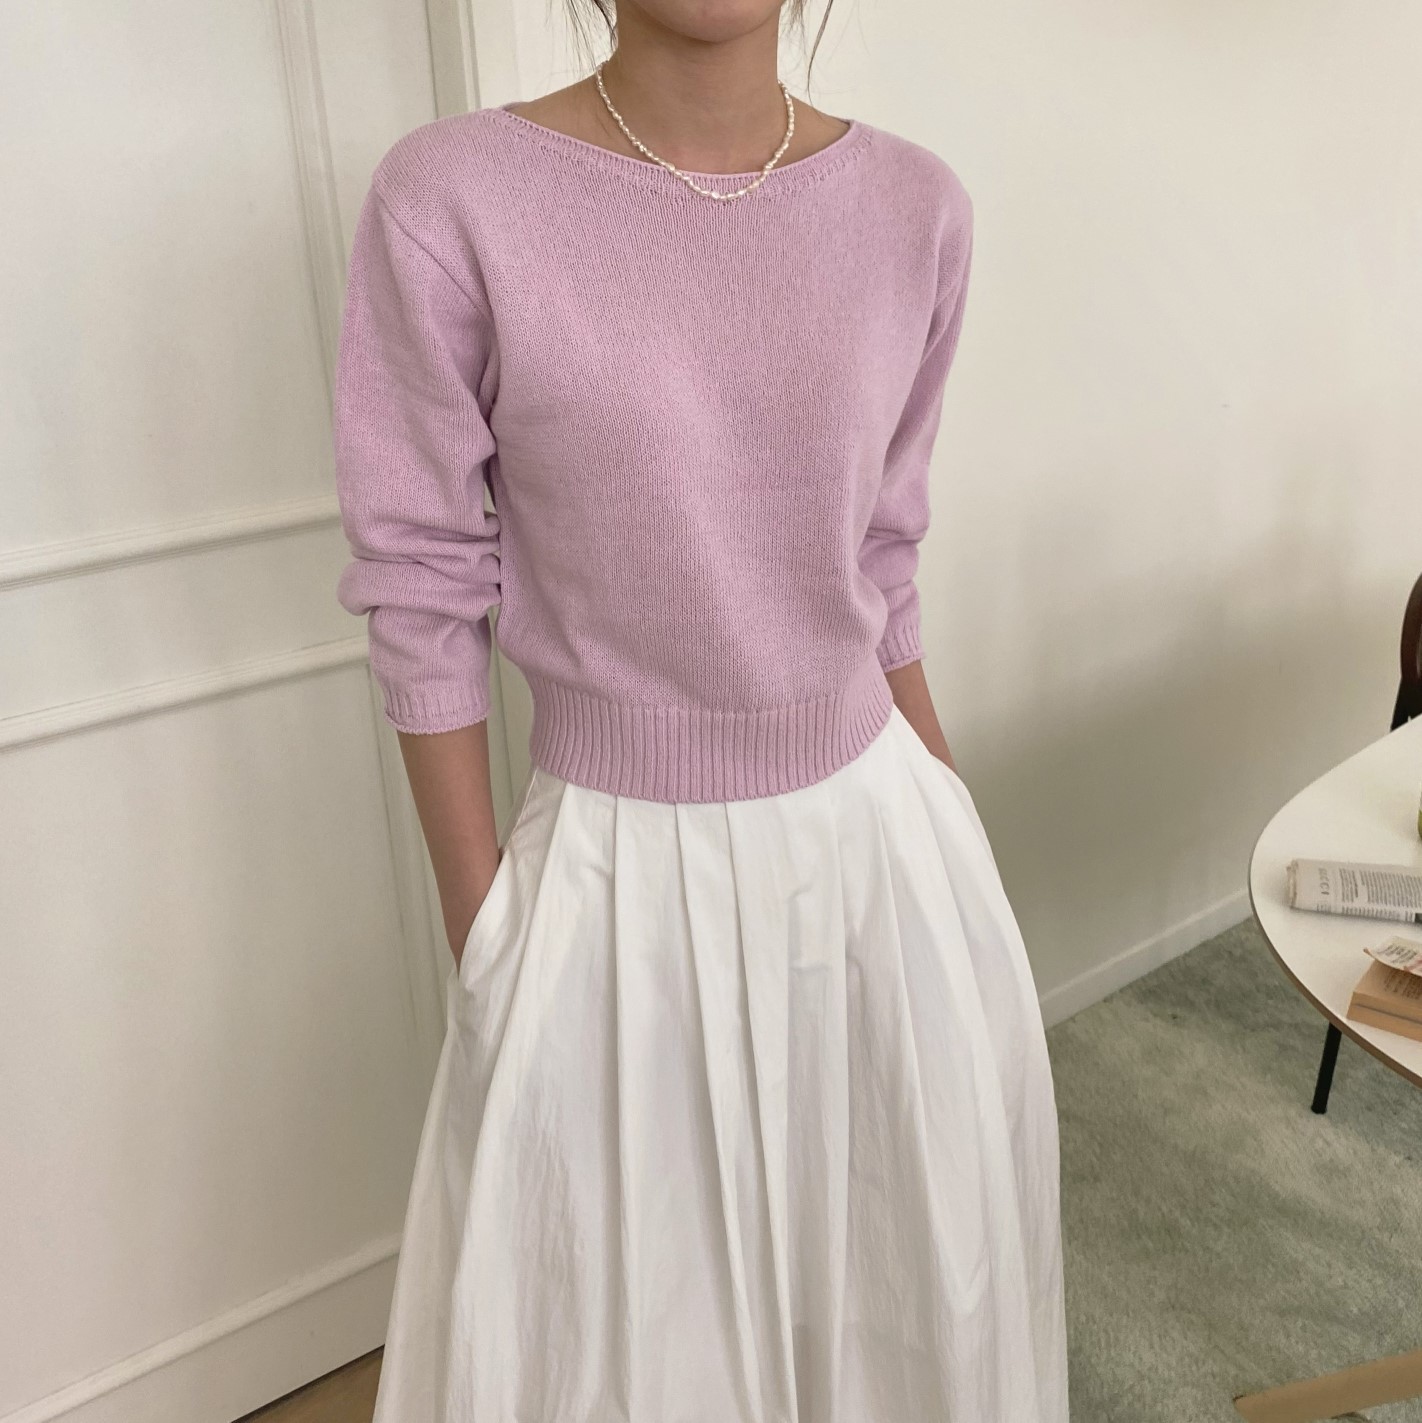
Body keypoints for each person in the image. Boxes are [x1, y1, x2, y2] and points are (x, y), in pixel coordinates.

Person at [331, 3, 1069, 1419]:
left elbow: (882, 556)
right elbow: (420, 580)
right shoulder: (453, 198)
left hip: (884, 850)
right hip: (613, 879)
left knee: (900, 1307)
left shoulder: (917, 208)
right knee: (626, 1351)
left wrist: (951, 819)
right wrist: (483, 929)